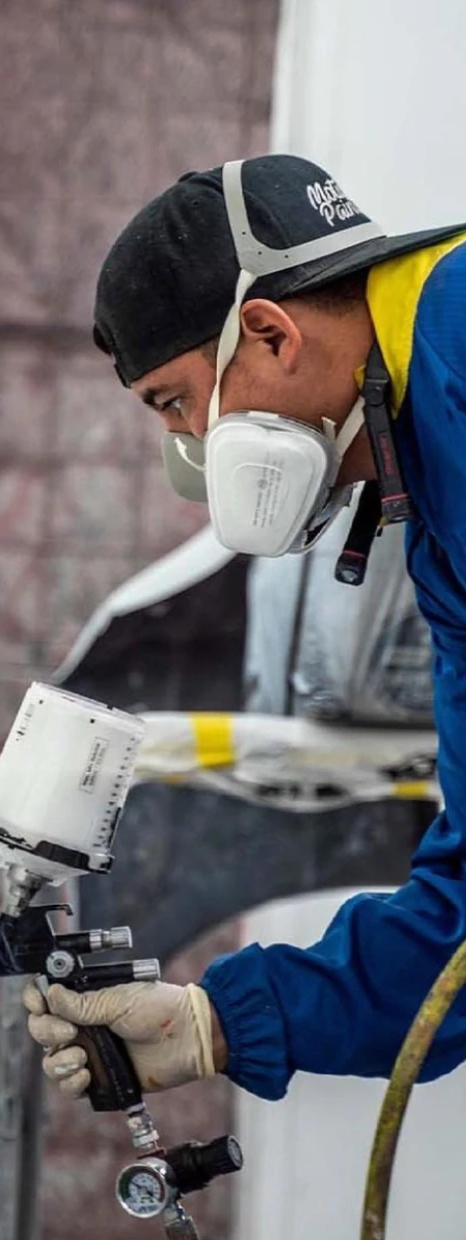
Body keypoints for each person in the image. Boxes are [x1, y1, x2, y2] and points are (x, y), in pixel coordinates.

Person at [25, 153, 466, 1103]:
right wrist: (213, 1023)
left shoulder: (459, 343)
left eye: (178, 404)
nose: (190, 454)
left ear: (267, 334)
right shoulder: (432, 508)